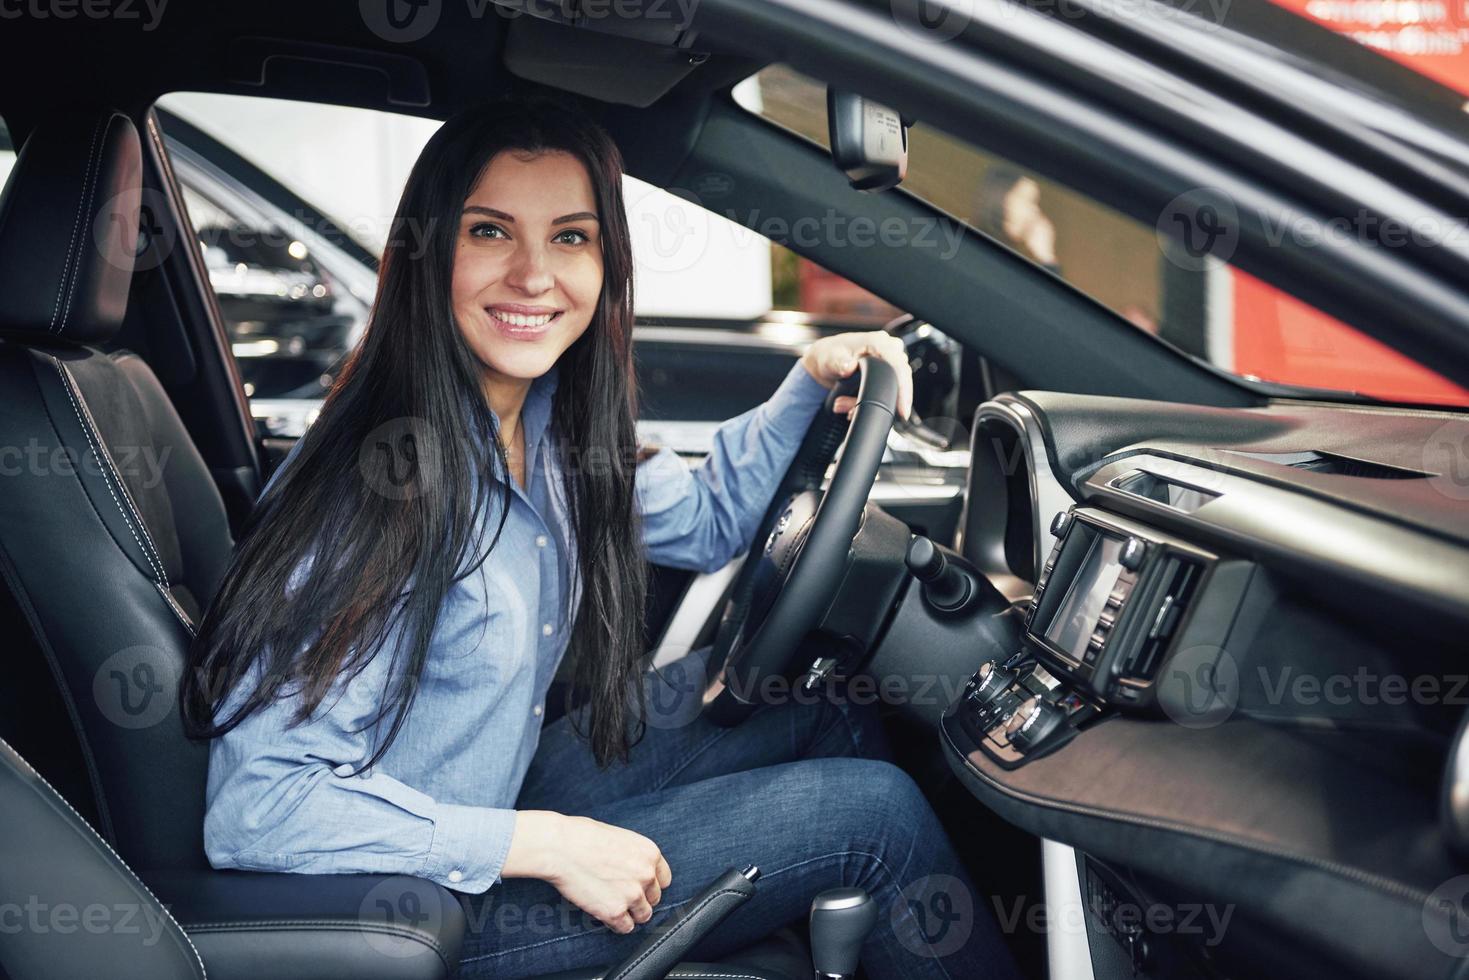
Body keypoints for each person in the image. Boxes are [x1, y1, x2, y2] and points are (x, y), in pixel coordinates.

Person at [181, 97, 1020, 980]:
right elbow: (260, 809)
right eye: (491, 232)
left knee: (815, 695)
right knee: (876, 819)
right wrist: (539, 843)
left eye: (571, 237)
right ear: (427, 257)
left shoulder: (549, 424)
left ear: (607, 260)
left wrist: (808, 384)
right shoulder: (377, 487)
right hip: (410, 908)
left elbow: (703, 524)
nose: (535, 276)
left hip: (495, 795)